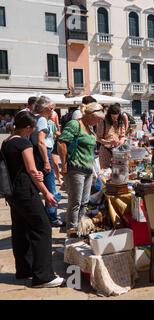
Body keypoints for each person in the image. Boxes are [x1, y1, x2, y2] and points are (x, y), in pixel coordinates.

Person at [1, 111, 64, 288]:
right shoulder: (24, 143)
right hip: (25, 191)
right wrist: (46, 193)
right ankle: (43, 276)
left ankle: (24, 269)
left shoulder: (7, 142)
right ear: (28, 127)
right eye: (34, 127)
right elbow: (32, 172)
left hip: (12, 192)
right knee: (42, 227)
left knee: (20, 229)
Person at [58, 102, 105, 237]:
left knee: (84, 202)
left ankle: (81, 228)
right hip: (75, 168)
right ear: (90, 115)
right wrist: (64, 164)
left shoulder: (90, 128)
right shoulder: (75, 124)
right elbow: (62, 143)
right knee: (75, 202)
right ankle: (71, 231)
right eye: (98, 118)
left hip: (88, 169)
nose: (99, 121)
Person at [30, 96, 63, 227]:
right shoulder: (42, 119)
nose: (53, 111)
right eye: (51, 108)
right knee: (51, 189)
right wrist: (46, 161)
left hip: (37, 154)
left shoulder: (35, 118)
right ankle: (52, 218)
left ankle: (46, 217)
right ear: (45, 108)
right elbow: (41, 141)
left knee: (44, 188)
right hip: (44, 153)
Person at [96, 103, 127, 169]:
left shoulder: (120, 122)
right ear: (109, 115)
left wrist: (121, 140)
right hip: (105, 150)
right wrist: (108, 142)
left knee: (118, 172)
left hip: (118, 150)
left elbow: (123, 135)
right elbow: (98, 138)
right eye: (113, 117)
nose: (115, 119)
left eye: (116, 117)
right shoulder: (103, 122)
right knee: (105, 173)